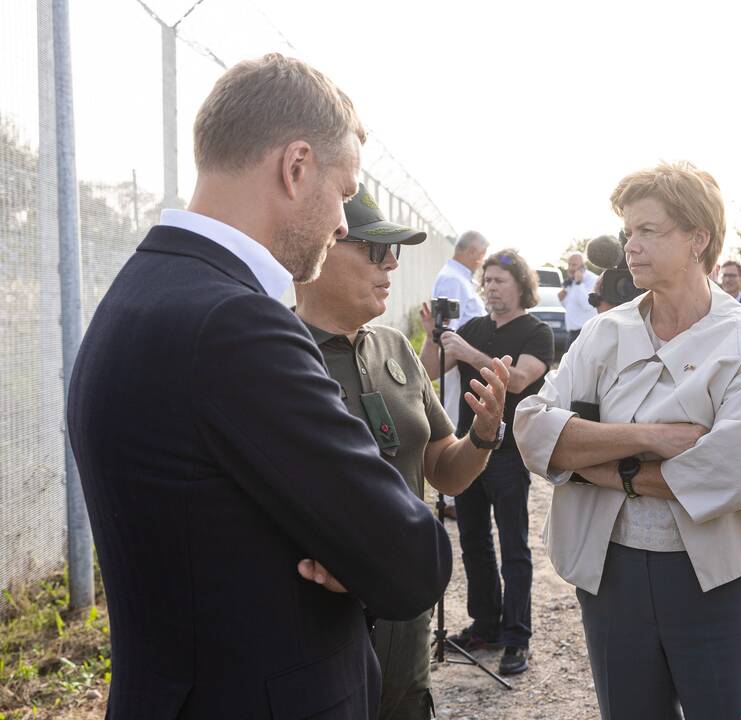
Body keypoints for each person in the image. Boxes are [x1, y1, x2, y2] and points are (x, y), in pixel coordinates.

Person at [66, 54, 452, 719]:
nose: (341, 222)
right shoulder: (237, 325)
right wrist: (359, 551)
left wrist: (353, 545)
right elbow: (411, 562)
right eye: (344, 189)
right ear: (295, 166)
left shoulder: (137, 293)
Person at [515, 161, 741, 720]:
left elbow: (736, 472)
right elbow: (532, 430)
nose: (631, 246)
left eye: (648, 231)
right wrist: (651, 437)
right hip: (612, 573)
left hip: (713, 579)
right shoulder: (607, 330)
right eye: (629, 232)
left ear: (698, 239)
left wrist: (597, 463)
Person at [294, 190, 510, 720]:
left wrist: (482, 435)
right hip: (321, 618)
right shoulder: (276, 349)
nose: (392, 262)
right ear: (324, 248)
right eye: (375, 249)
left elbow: (444, 471)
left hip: (403, 617)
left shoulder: (394, 348)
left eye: (394, 251)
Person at [420, 249, 554, 676]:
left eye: (501, 281)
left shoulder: (537, 332)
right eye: (488, 280)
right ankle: (485, 624)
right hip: (468, 448)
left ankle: (518, 637)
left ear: (521, 287)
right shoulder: (473, 326)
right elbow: (430, 371)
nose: (492, 287)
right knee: (473, 539)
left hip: (508, 452)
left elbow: (516, 379)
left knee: (514, 545)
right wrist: (431, 336)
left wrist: (468, 350)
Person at [431, 231, 490, 519]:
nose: (481, 261)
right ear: (473, 252)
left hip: (464, 360)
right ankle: (452, 495)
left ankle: (456, 492)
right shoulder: (453, 279)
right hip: (455, 362)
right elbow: (447, 326)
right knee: (453, 420)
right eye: (481, 255)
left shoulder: (460, 277)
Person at [558, 250, 598, 346]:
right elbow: (570, 306)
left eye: (574, 265)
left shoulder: (592, 280)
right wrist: (562, 298)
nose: (571, 268)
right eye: (569, 264)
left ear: (582, 266)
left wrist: (579, 283)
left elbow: (588, 305)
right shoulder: (572, 281)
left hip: (586, 334)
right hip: (571, 334)